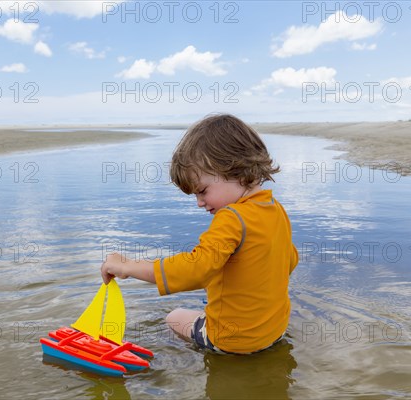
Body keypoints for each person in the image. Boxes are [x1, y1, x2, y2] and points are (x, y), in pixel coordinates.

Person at [101, 114, 298, 354]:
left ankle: (176, 355)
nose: (200, 203)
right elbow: (289, 261)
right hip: (274, 331)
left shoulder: (232, 217)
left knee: (175, 317)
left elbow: (196, 268)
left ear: (236, 169)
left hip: (233, 340)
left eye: (202, 191)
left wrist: (129, 266)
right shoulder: (275, 209)